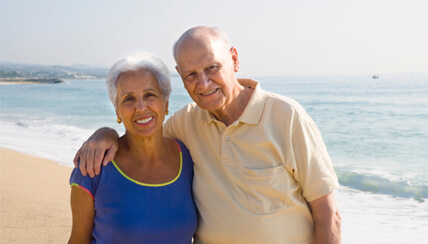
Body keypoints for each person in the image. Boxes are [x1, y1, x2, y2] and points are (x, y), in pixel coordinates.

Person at [74, 26, 341, 243]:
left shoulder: (287, 117)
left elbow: (328, 215)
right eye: (191, 74)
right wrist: (105, 132)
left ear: (234, 59)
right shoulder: (187, 123)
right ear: (180, 76)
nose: (203, 83)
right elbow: (142, 131)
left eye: (212, 68)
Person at [68, 53, 197, 244]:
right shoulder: (92, 167)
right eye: (128, 99)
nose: (140, 107)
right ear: (117, 111)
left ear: (166, 102)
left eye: (150, 95)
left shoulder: (188, 158)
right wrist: (104, 132)